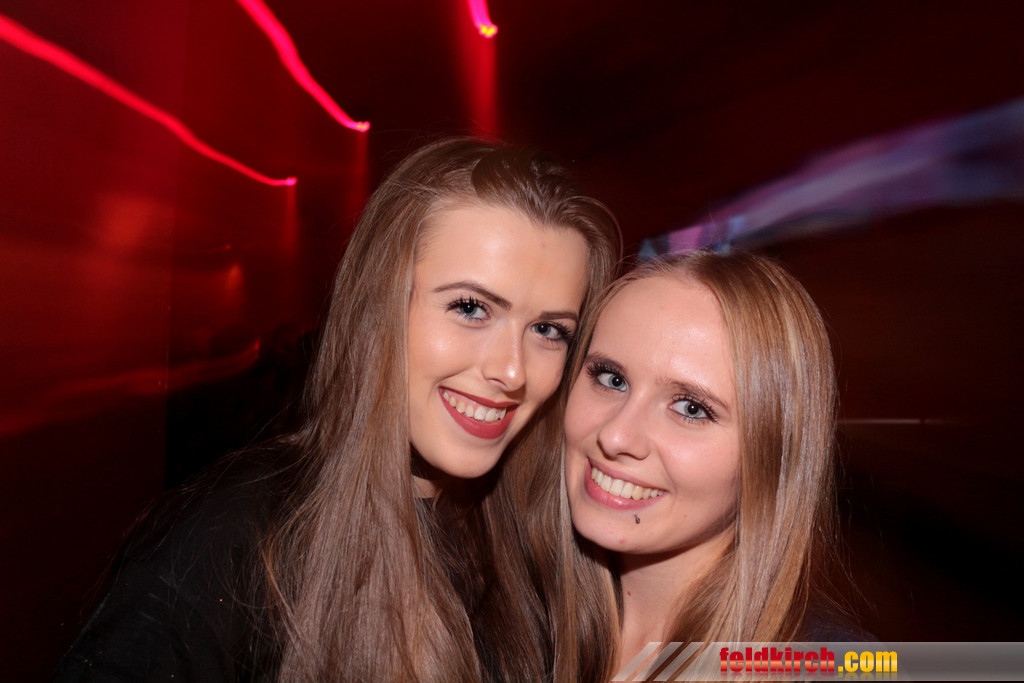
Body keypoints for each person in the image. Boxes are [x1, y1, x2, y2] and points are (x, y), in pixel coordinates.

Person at [55, 138, 620, 681]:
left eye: (549, 330)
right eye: (471, 308)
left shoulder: (544, 541)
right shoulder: (230, 540)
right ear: (377, 307)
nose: (513, 371)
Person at [562, 250, 862, 680]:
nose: (615, 436)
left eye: (691, 408)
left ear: (771, 456)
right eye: (612, 379)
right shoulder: (507, 620)